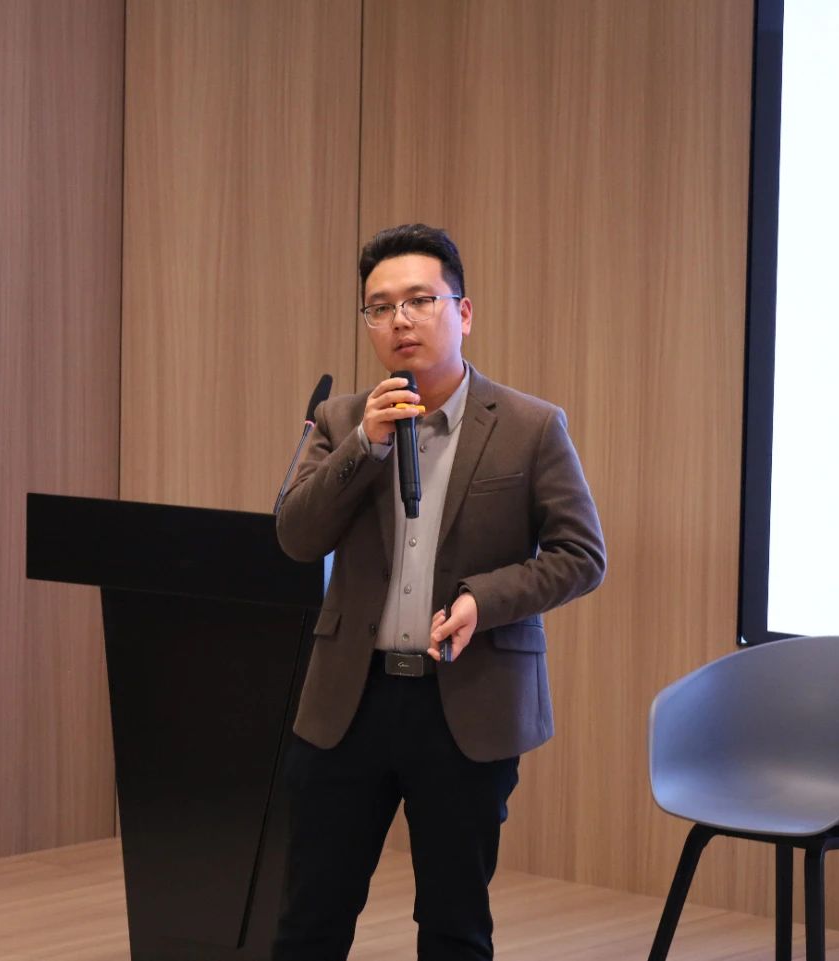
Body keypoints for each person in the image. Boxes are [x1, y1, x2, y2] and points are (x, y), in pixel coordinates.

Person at [273, 223, 605, 961]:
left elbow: (582, 555)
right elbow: (296, 536)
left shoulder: (530, 427)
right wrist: (366, 445)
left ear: (463, 312)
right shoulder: (341, 421)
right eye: (380, 307)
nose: (400, 320)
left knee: (455, 927)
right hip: (348, 703)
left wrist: (484, 599)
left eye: (420, 300)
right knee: (308, 921)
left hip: (466, 702)